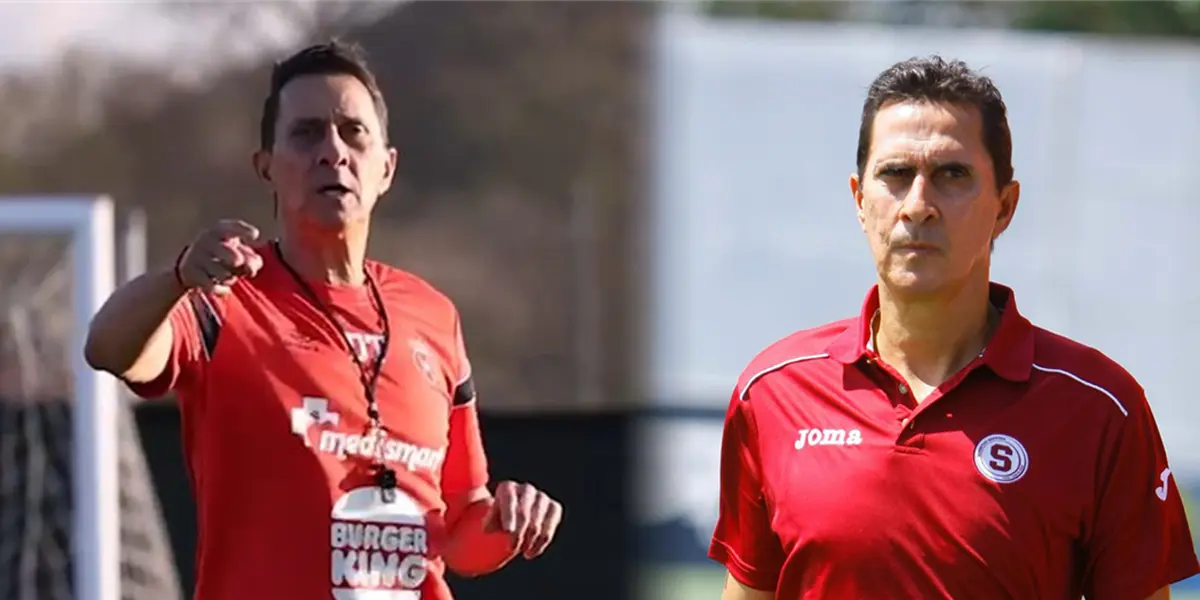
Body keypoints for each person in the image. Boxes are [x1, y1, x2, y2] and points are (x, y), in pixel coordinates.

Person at [84, 40, 563, 600]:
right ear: (266, 166)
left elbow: (460, 537)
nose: (332, 151)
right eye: (306, 132)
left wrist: (508, 521)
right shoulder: (222, 295)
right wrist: (178, 277)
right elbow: (108, 348)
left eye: (353, 132)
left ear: (386, 167)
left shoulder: (434, 315)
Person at [709, 55, 1199, 600]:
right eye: (895, 174)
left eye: (951, 175)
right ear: (859, 200)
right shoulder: (773, 392)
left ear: (1004, 207)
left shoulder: (1101, 407)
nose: (918, 206)